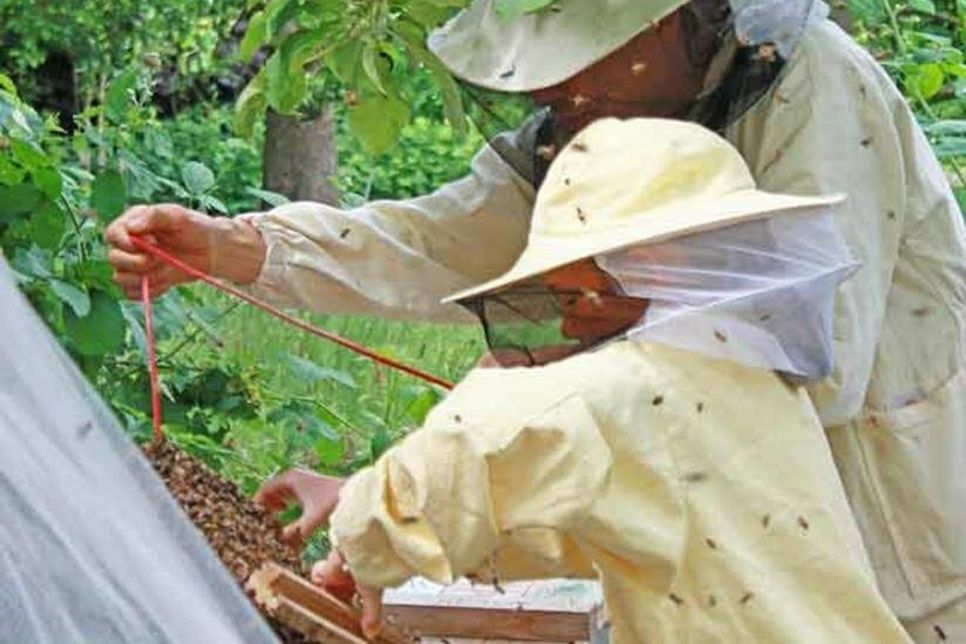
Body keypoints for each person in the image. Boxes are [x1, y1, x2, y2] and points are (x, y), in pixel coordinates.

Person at [106, 1, 966, 638]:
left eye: (580, 60)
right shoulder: (611, 133)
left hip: (900, 531)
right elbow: (449, 240)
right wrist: (240, 249)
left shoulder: (812, 94)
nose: (562, 89)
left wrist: (388, 508)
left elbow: (789, 369)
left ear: (666, 23)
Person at [255, 118, 913, 643]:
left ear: (650, 261)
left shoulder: (637, 389)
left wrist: (364, 523)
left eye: (576, 298)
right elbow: (582, 517)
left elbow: (492, 431)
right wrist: (393, 528)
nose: (570, 328)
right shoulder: (740, 377)